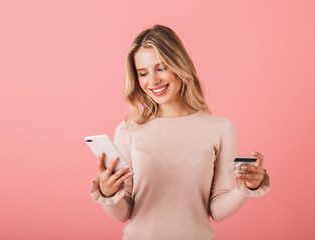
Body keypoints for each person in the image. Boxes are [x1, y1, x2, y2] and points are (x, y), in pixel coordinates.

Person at [90, 24, 271, 240]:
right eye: (143, 73)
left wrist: (245, 189)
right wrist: (107, 192)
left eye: (162, 67)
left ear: (179, 65)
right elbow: (123, 213)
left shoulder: (219, 128)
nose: (153, 81)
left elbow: (217, 209)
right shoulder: (128, 130)